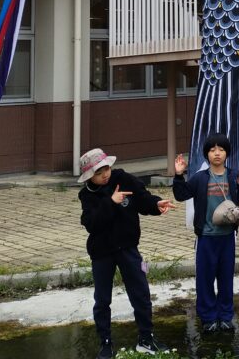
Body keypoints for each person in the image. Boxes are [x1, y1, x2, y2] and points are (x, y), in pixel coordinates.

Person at [78, 147, 176, 358]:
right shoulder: (87, 195)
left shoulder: (123, 179)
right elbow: (91, 223)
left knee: (141, 292)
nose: (104, 175)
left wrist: (156, 204)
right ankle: (105, 342)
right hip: (102, 252)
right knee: (102, 299)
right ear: (89, 176)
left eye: (106, 169)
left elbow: (142, 199)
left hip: (128, 248)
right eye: (98, 172)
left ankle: (146, 339)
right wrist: (110, 202)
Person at [172, 134, 239, 333]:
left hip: (227, 238)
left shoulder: (234, 176)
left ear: (227, 153)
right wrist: (179, 175)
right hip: (206, 238)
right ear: (206, 154)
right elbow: (181, 195)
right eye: (212, 150)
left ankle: (225, 317)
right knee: (205, 279)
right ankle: (208, 318)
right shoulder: (200, 178)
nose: (217, 153)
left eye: (221, 149)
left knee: (226, 279)